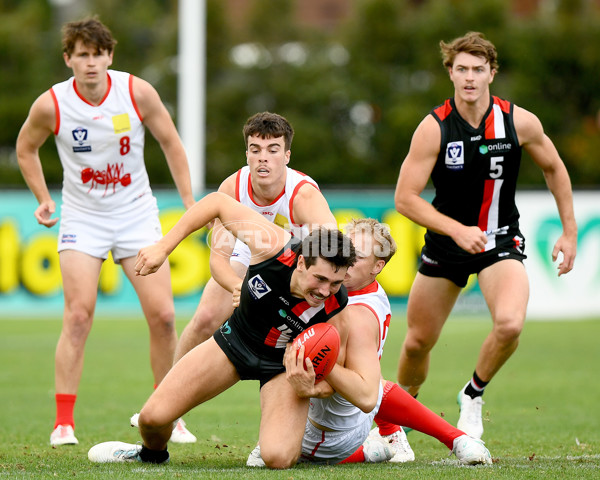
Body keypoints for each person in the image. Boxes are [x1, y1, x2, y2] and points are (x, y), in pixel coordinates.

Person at [15, 17, 195, 447]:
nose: (91, 63)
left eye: (98, 54)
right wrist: (43, 197)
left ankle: (169, 414)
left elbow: (171, 141)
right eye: (82, 54)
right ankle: (63, 423)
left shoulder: (136, 92)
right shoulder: (52, 104)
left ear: (109, 56)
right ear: (68, 60)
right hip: (82, 217)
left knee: (165, 317)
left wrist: (190, 202)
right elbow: (25, 148)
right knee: (78, 315)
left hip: (136, 214)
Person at [394, 32, 577, 439]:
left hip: (499, 240)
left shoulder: (519, 121)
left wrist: (569, 231)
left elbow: (554, 168)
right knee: (417, 343)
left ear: (492, 73)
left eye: (479, 69)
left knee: (510, 324)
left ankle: (472, 394)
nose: (470, 77)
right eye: (462, 69)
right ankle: (395, 421)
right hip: (446, 243)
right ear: (451, 73)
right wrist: (457, 230)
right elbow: (405, 199)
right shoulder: (434, 128)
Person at [87, 191, 356, 469]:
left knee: (278, 457)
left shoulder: (337, 308)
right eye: (320, 279)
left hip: (282, 368)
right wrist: (163, 247)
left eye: (335, 283)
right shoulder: (274, 245)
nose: (325, 291)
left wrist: (310, 388)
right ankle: (151, 454)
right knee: (152, 419)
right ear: (301, 262)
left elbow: (333, 377)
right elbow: (216, 202)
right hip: (234, 342)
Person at [246, 218, 491, 466]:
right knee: (366, 376)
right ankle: (397, 438)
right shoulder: (356, 289)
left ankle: (376, 446)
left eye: (358, 257)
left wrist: (305, 356)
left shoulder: (357, 315)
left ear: (377, 266)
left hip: (328, 430)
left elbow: (363, 393)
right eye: (347, 252)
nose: (347, 262)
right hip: (353, 416)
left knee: (303, 357)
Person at [173, 111, 336, 362]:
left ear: (287, 156)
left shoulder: (304, 197)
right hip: (249, 255)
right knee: (205, 318)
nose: (263, 159)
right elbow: (219, 261)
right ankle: (165, 396)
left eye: (273, 150)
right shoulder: (232, 188)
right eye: (256, 149)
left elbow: (330, 254)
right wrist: (239, 288)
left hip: (297, 264)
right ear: (247, 154)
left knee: (328, 333)